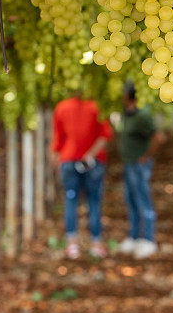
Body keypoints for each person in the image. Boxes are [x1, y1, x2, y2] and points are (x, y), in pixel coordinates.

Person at [51, 92, 113, 259]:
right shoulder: (97, 107)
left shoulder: (61, 107)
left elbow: (58, 140)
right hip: (94, 162)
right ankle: (96, 244)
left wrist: (56, 162)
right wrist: (90, 154)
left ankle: (72, 245)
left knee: (71, 200)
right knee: (94, 200)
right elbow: (105, 136)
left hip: (69, 161)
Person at [118, 83, 165, 259]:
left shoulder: (143, 115)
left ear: (129, 95)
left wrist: (147, 156)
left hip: (139, 166)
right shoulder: (128, 113)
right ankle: (135, 237)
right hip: (129, 164)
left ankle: (148, 240)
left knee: (143, 200)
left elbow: (159, 137)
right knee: (131, 200)